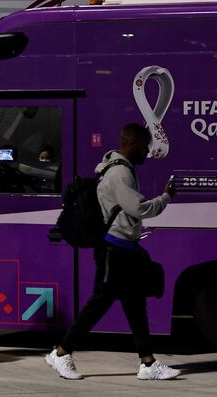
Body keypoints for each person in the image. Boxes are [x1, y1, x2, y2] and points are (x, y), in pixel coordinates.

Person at [46, 123, 180, 381]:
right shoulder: (120, 174)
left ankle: (148, 363)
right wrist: (165, 197)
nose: (147, 152)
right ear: (131, 145)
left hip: (125, 250)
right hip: (114, 251)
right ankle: (61, 353)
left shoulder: (121, 169)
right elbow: (139, 208)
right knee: (99, 304)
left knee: (136, 305)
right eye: (144, 147)